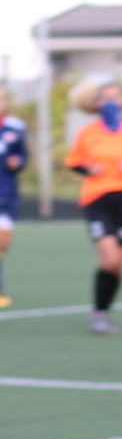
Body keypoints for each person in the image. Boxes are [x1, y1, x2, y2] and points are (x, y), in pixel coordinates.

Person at [65, 81, 122, 334]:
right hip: (97, 199)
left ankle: (103, 312)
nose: (112, 102)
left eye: (116, 97)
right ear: (97, 103)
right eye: (106, 97)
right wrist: (89, 169)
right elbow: (74, 162)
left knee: (118, 266)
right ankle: (98, 314)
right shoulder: (88, 132)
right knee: (110, 259)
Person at [0, 87, 29, 309]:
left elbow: (23, 155)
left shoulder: (16, 127)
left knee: (3, 244)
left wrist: (18, 162)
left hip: (6, 194)